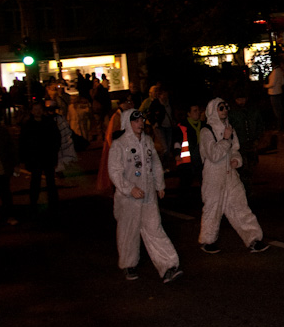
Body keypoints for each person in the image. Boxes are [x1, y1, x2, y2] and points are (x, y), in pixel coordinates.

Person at [107, 108, 183, 283]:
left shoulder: (147, 141)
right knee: (129, 231)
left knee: (154, 228)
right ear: (128, 123)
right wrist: (129, 188)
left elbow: (155, 163)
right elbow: (115, 171)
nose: (140, 123)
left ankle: (168, 265)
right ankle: (128, 264)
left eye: (141, 120)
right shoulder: (119, 145)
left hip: (148, 195)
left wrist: (159, 184)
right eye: (136, 121)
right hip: (128, 199)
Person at [198, 98, 268, 254]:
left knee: (240, 206)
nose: (224, 110)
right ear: (213, 110)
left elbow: (235, 149)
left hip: (230, 175)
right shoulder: (206, 131)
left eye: (226, 107)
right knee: (213, 209)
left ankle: (253, 239)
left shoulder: (229, 128)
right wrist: (225, 139)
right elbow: (213, 155)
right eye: (221, 108)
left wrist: (236, 160)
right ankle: (207, 241)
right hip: (213, 176)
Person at [19, 102, 61, 216]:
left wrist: (54, 152)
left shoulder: (49, 122)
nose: (38, 111)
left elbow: (56, 138)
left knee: (50, 181)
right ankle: (33, 203)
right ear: (32, 111)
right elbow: (23, 142)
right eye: (35, 109)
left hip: (47, 156)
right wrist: (24, 158)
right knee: (35, 181)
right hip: (35, 158)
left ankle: (53, 203)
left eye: (39, 109)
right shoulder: (28, 125)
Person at [229, 91, 265, 195]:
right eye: (238, 99)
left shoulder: (253, 110)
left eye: (243, 98)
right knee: (242, 169)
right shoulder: (232, 112)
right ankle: (244, 190)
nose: (241, 101)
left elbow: (260, 125)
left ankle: (248, 189)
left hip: (251, 144)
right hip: (240, 145)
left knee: (251, 167)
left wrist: (257, 138)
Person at [97, 96, 134, 192]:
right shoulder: (117, 116)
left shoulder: (122, 115)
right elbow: (114, 134)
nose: (128, 105)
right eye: (126, 102)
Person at [263, 57, 284, 130]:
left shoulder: (275, 72)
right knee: (279, 109)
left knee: (277, 111)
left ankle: (279, 126)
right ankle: (281, 125)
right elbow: (282, 82)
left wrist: (265, 86)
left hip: (274, 93)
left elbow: (272, 84)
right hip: (279, 91)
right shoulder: (280, 71)